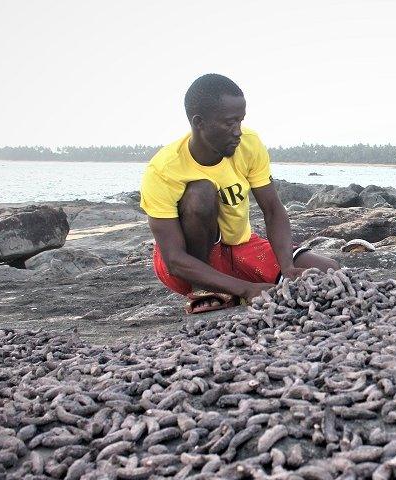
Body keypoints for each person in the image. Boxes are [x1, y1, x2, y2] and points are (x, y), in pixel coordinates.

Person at [140, 73, 339, 313]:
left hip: (238, 247)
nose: (237, 131)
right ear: (199, 122)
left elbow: (273, 209)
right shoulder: (163, 169)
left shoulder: (249, 145)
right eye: (229, 123)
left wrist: (286, 266)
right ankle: (205, 291)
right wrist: (246, 289)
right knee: (200, 192)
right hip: (189, 264)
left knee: (327, 272)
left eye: (240, 121)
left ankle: (230, 287)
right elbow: (174, 260)